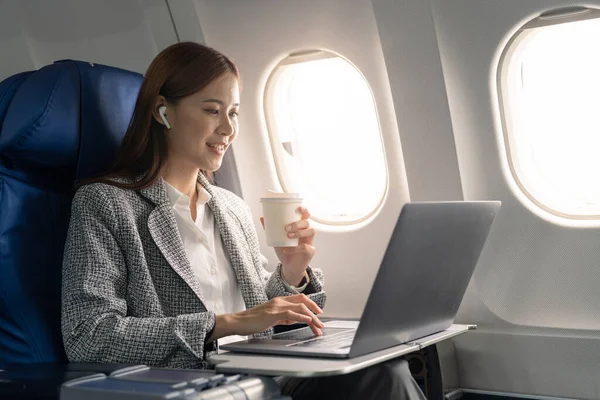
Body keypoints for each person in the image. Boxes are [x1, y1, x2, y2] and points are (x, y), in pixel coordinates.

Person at [61, 41, 426, 399]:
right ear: (163, 111)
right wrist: (225, 324)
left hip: (266, 372)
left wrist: (291, 273)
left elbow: (262, 313)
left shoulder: (230, 207)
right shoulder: (105, 204)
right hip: (197, 386)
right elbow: (88, 335)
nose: (228, 129)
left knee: (383, 369)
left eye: (233, 112)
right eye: (211, 110)